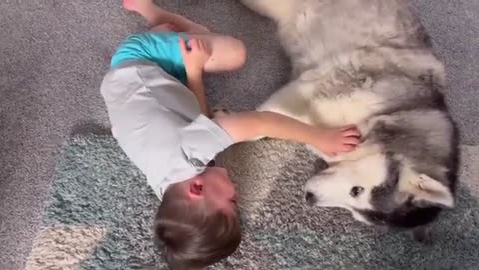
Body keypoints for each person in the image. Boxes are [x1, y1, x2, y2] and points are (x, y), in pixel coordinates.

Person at [100, 0, 361, 269]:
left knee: (234, 52)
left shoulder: (188, 156)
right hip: (126, 88)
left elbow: (262, 122)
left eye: (231, 200)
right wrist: (193, 72)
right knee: (199, 71)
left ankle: (155, 14)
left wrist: (319, 137)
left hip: (137, 58)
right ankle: (167, 35)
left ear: (197, 188)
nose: (237, 192)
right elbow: (198, 120)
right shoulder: (168, 190)